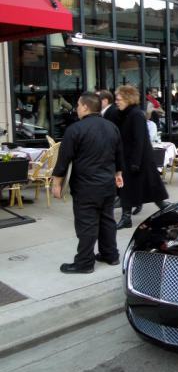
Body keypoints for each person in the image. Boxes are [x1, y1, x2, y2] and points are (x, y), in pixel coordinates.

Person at [52, 92, 124, 274]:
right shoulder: (111, 127)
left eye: (78, 105)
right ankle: (111, 255)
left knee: (86, 224)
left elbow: (64, 159)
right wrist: (118, 173)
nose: (76, 108)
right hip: (107, 184)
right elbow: (119, 153)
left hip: (86, 186)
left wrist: (56, 183)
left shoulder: (75, 129)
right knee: (107, 220)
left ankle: (84, 263)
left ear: (85, 107)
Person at [115, 86, 169, 228]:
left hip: (139, 160)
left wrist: (135, 162)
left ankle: (168, 210)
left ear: (128, 99)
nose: (117, 101)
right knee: (129, 189)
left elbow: (140, 140)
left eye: (119, 99)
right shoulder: (126, 113)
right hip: (131, 159)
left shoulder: (136, 114)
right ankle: (126, 218)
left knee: (152, 190)